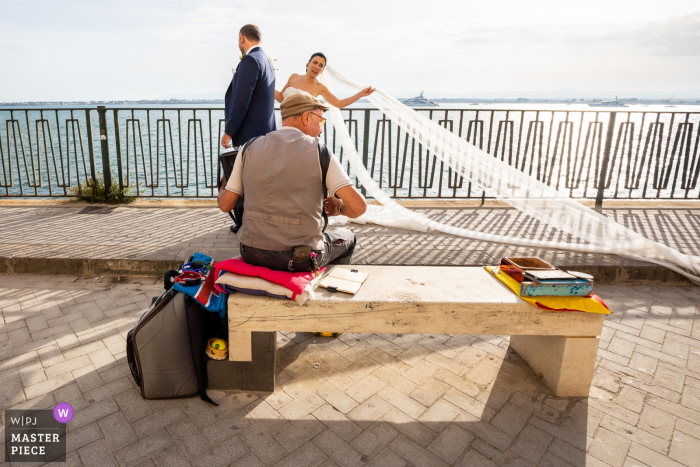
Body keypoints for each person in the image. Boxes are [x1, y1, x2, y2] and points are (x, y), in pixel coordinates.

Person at [217, 93, 367, 271]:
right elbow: (358, 207)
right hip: (299, 258)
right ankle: (323, 289)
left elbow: (226, 205)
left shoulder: (249, 147)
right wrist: (339, 208)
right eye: (321, 121)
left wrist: (223, 184)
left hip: (252, 253)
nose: (320, 129)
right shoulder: (320, 151)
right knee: (347, 237)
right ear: (306, 117)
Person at [221, 24, 276, 233]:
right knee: (256, 181)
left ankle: (247, 224)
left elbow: (241, 100)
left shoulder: (251, 61)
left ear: (242, 38)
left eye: (238, 40)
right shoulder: (267, 61)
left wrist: (229, 131)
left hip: (250, 135)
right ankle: (254, 223)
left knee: (246, 181)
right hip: (265, 132)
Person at [275, 53, 375, 107]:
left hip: (302, 128)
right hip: (284, 124)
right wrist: (264, 84)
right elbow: (281, 98)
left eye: (321, 65)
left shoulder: (320, 87)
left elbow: (339, 103)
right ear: (308, 64)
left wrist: (361, 94)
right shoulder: (294, 77)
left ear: (322, 70)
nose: (317, 67)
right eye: (315, 62)